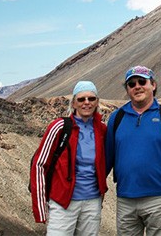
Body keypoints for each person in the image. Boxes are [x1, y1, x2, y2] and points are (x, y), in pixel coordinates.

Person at [106, 65, 161, 236]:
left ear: (153, 85)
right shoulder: (117, 118)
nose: (137, 86)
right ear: (127, 89)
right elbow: (107, 157)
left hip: (158, 200)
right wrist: (96, 189)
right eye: (132, 84)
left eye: (142, 82)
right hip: (125, 199)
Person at [30, 81, 108, 235]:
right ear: (73, 103)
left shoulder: (102, 129)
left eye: (91, 99)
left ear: (97, 102)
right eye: (81, 99)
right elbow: (39, 164)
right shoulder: (59, 127)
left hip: (92, 202)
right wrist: (40, 207)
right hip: (63, 202)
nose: (86, 103)